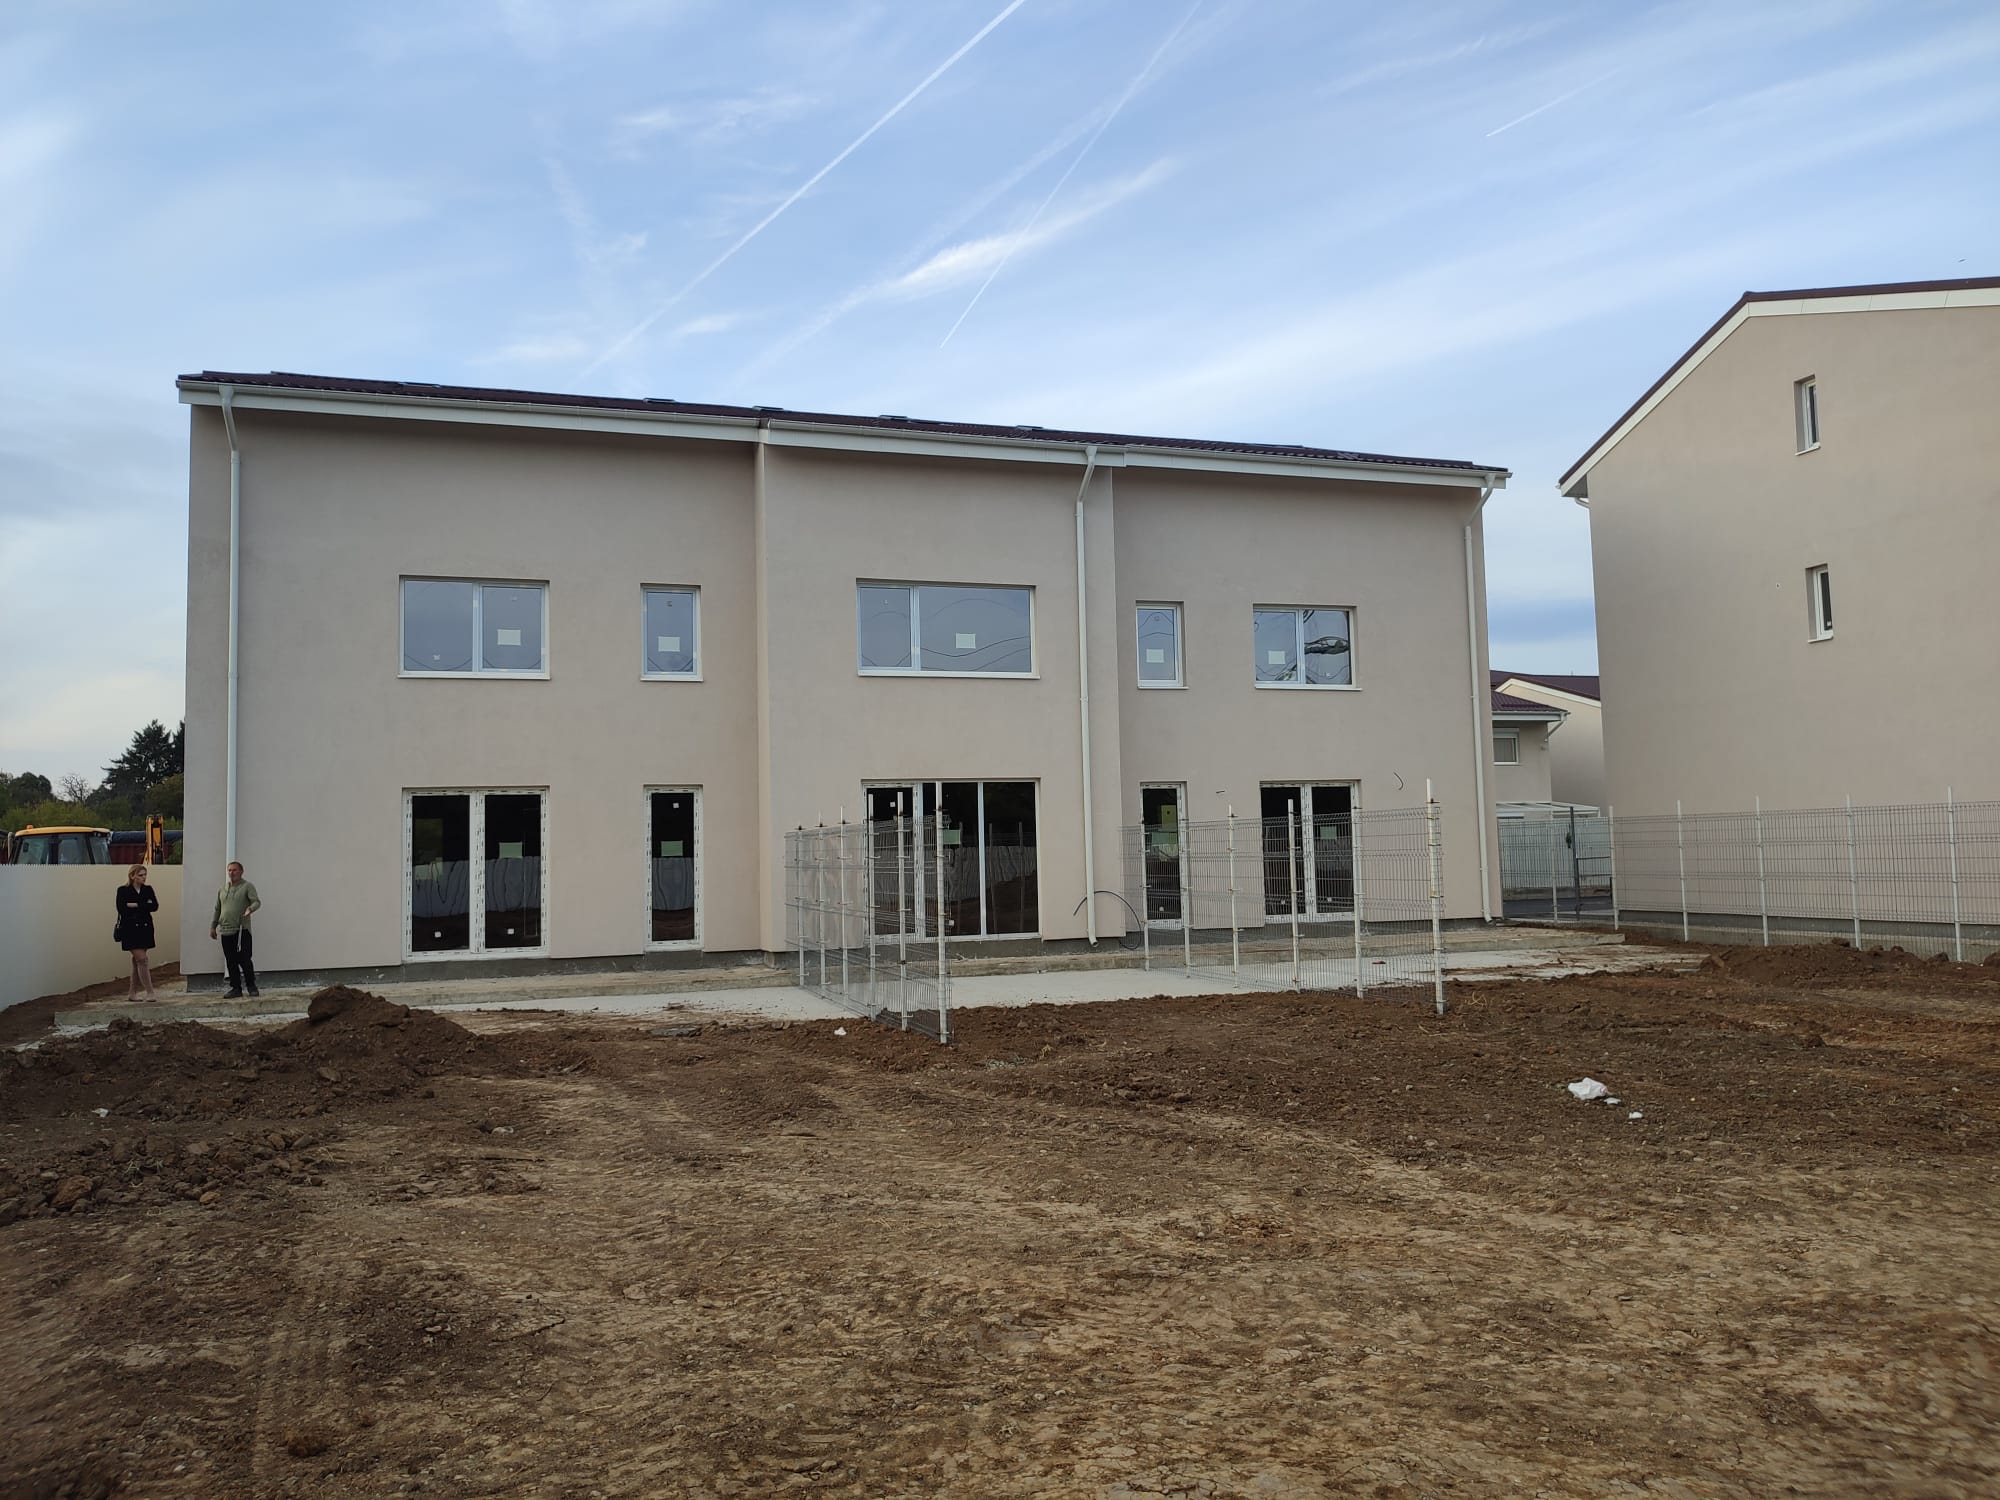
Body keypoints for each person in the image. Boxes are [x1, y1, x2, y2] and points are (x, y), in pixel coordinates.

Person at [210, 859, 262, 998]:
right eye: (229, 870)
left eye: (234, 870)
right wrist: (213, 926)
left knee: (245, 959)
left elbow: (256, 902)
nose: (232, 873)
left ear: (241, 871)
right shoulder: (222, 889)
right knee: (230, 960)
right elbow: (218, 909)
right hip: (226, 930)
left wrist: (250, 909)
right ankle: (236, 988)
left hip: (241, 930)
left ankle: (251, 986)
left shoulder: (247, 886)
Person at [115, 863, 160, 1001]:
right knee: (142, 960)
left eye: (145, 875)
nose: (144, 877)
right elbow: (122, 908)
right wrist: (144, 905)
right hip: (130, 930)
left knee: (137, 962)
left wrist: (136, 904)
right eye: (140, 875)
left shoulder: (148, 889)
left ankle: (132, 992)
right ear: (132, 876)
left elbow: (154, 906)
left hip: (145, 928)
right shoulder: (123, 890)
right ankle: (150, 992)